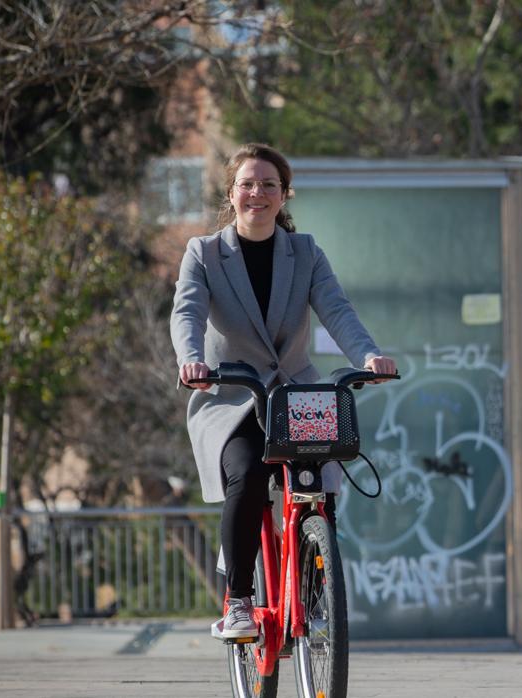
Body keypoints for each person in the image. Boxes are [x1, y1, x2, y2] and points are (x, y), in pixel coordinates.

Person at [170, 143, 396, 639]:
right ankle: (239, 602)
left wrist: (367, 356)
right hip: (230, 395)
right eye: (248, 184)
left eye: (269, 184)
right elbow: (186, 311)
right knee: (248, 475)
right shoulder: (204, 253)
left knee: (320, 482)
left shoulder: (306, 252)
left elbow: (337, 310)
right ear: (231, 193)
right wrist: (193, 359)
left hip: (296, 395)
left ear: (284, 194)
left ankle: (316, 587)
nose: (258, 193)